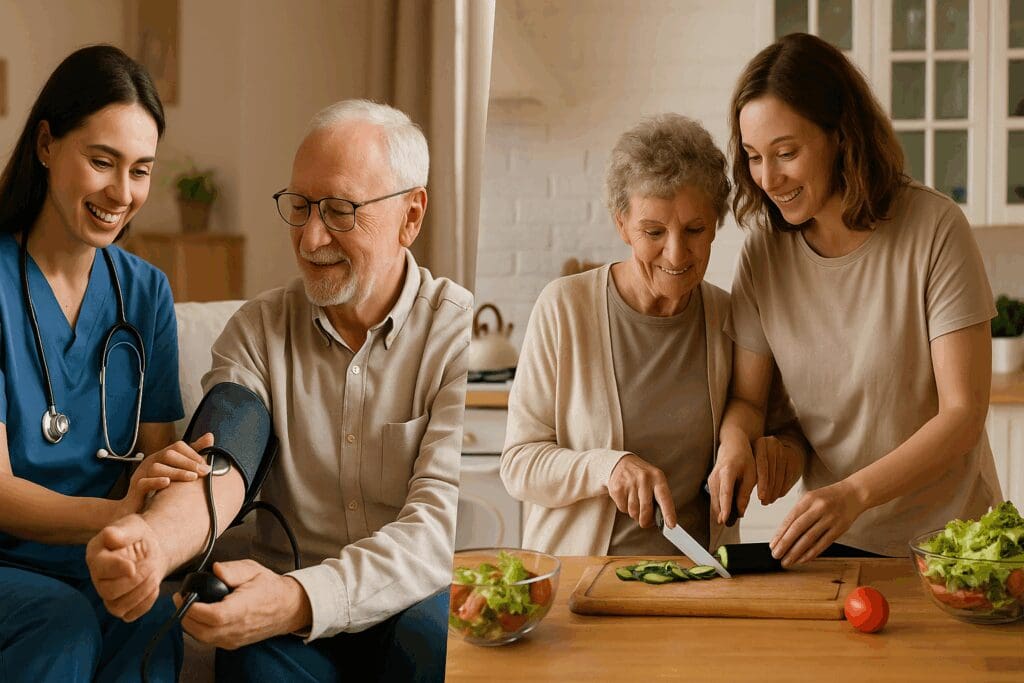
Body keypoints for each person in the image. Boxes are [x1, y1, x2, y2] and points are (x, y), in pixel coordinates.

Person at [86, 99, 471, 682]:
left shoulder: (454, 334)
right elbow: (222, 463)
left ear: (410, 216)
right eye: (299, 206)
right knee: (254, 666)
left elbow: (434, 528)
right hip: (287, 632)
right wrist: (151, 545)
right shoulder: (258, 332)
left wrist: (297, 598)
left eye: (341, 211)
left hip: (407, 609)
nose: (312, 238)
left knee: (436, 640)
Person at [708, 33, 1002, 566]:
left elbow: (963, 414)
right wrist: (734, 445)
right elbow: (750, 402)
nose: (769, 178)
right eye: (753, 157)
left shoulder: (934, 229)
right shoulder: (762, 255)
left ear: (841, 135)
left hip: (954, 545)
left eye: (786, 153)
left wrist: (853, 494)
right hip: (837, 545)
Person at [0, 45, 214, 681]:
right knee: (60, 624)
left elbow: (156, 461)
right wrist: (116, 515)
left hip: (103, 557)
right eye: (102, 162)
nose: (122, 193)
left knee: (150, 621)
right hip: (11, 566)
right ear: (46, 144)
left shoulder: (145, 294)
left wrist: (143, 537)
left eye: (141, 170)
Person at [500, 114, 806, 557]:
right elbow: (518, 465)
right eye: (654, 232)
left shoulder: (730, 316)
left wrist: (774, 459)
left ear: (716, 224)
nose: (677, 253)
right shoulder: (565, 308)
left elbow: (784, 434)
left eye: (695, 230)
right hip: (584, 585)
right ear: (622, 224)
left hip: (700, 583)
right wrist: (608, 467)